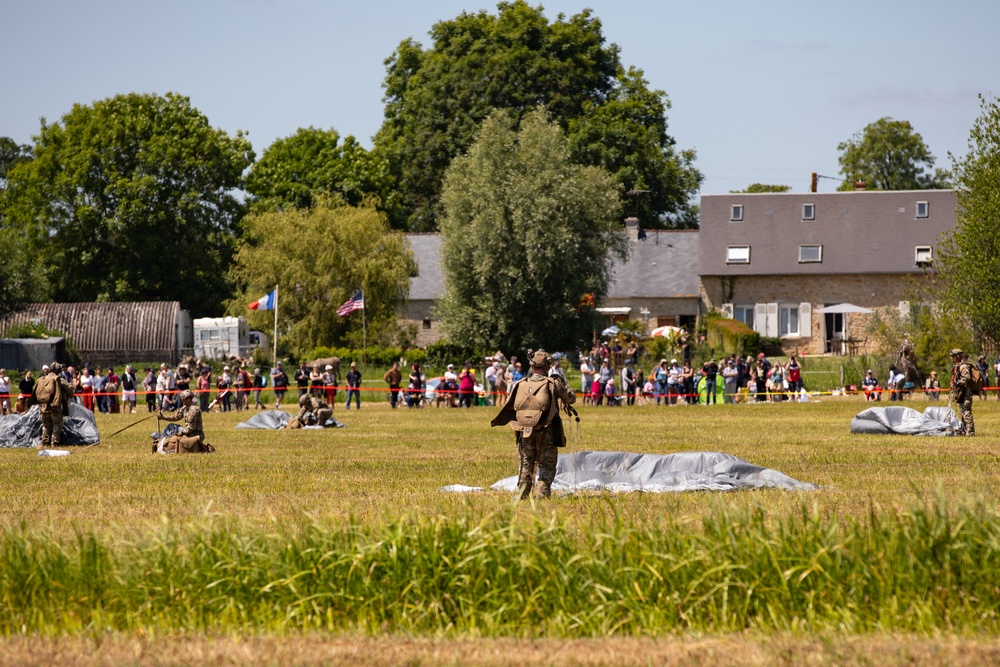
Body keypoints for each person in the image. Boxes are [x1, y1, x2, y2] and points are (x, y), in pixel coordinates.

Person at [491, 349, 577, 500]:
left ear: (532, 366)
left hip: (525, 430)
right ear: (547, 366)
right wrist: (563, 381)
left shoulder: (522, 383)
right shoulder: (553, 383)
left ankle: (521, 494)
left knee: (526, 461)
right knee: (547, 463)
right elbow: (570, 398)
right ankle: (542, 494)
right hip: (546, 430)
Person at [30, 362, 73, 448]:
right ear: (58, 370)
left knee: (46, 425)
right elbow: (70, 389)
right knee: (57, 424)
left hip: (43, 405)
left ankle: (45, 442)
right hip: (55, 405)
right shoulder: (59, 379)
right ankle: (54, 442)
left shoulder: (42, 378)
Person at [949, 348, 975, 436]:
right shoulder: (957, 366)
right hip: (961, 393)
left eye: (953, 356)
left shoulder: (963, 366)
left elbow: (967, 378)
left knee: (966, 412)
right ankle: (965, 430)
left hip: (965, 393)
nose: (952, 358)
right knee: (962, 412)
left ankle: (970, 432)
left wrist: (958, 383)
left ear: (957, 357)